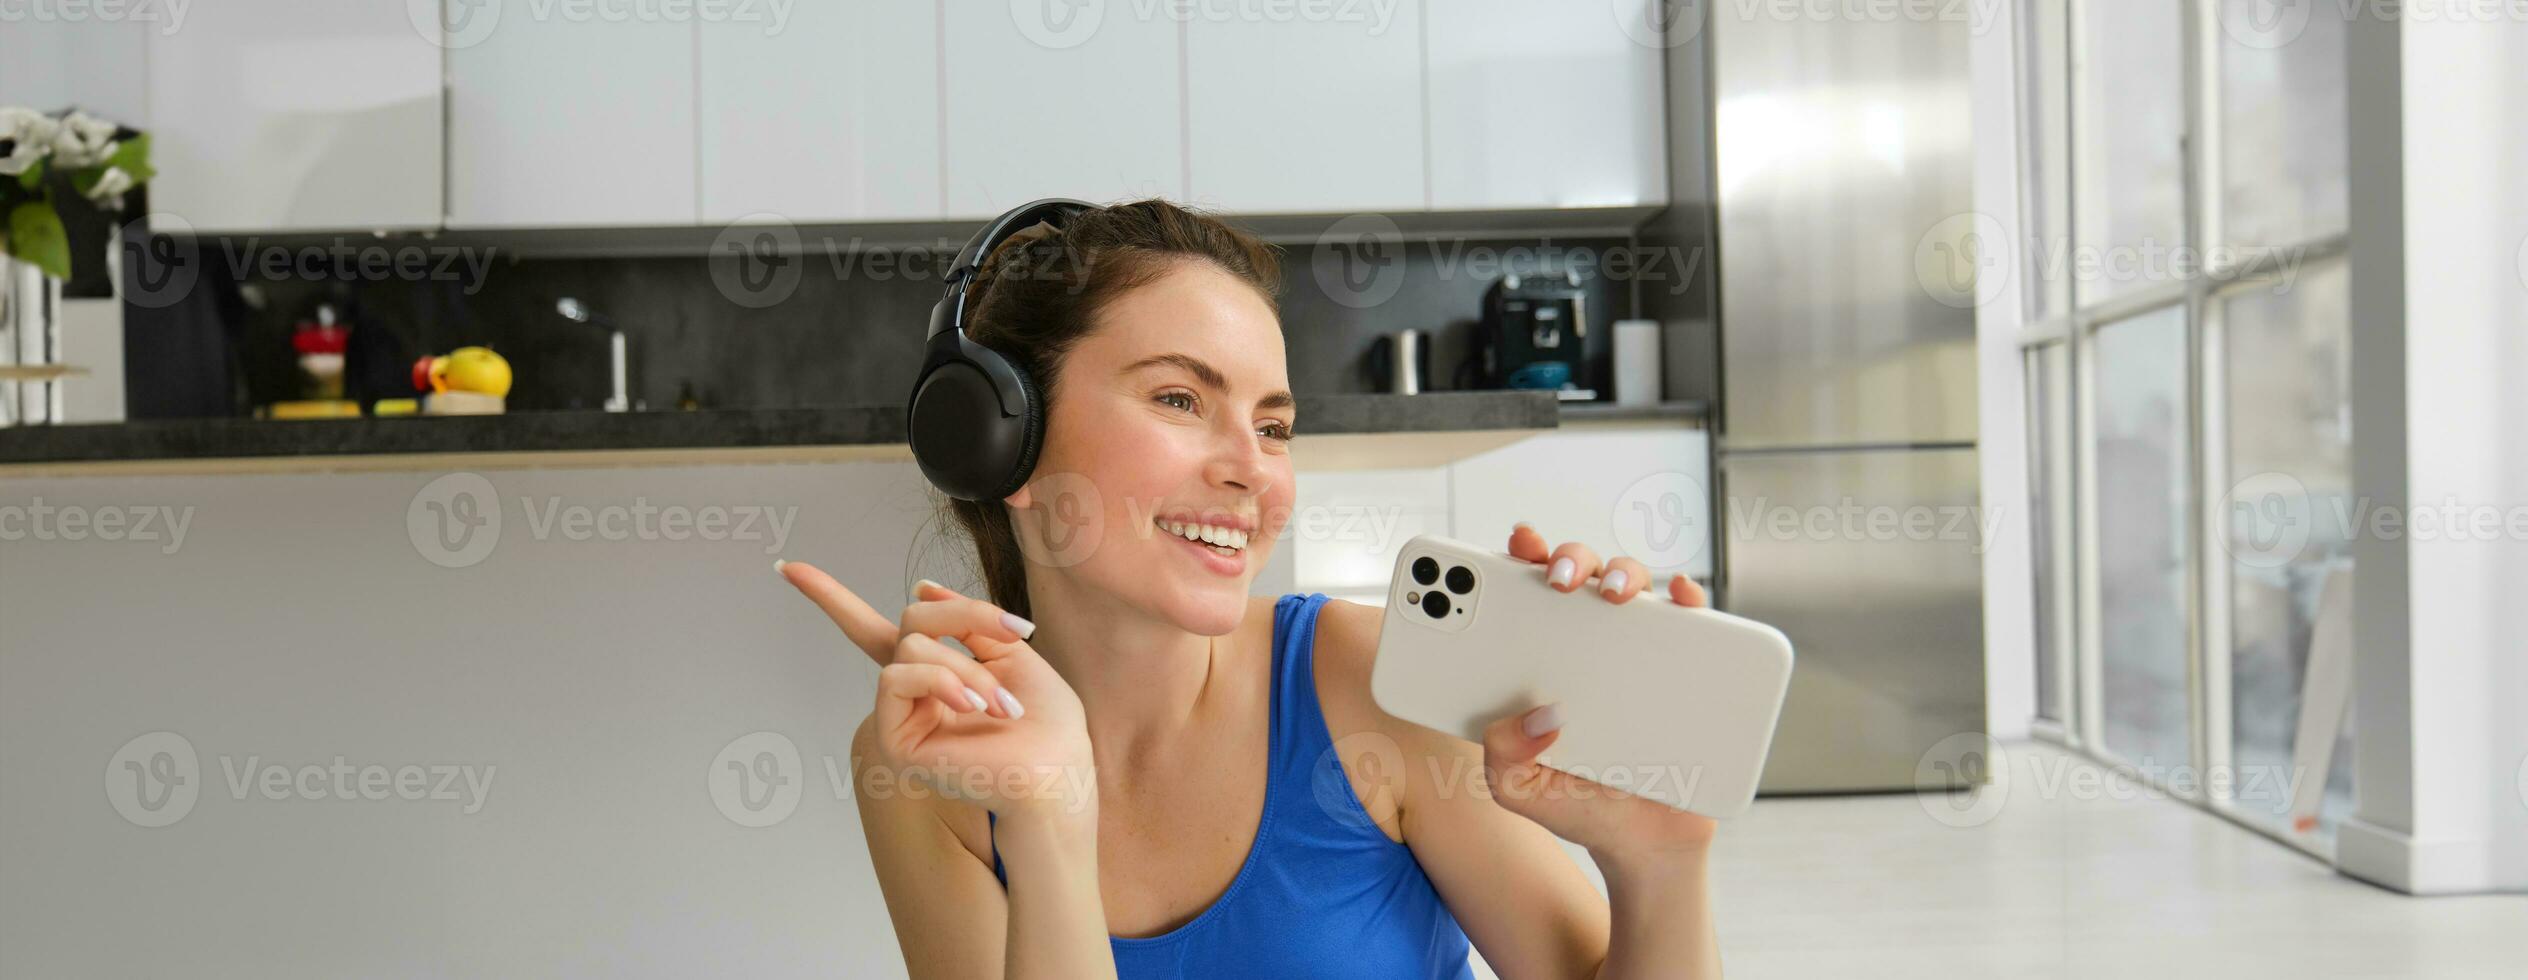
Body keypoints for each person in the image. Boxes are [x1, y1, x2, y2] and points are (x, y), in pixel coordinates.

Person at [777, 199, 1720, 979]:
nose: (1253, 472)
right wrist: (1050, 818)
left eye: (1272, 427)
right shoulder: (929, 762)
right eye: (1180, 400)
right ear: (1001, 439)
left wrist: (1659, 867)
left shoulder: (1366, 683)